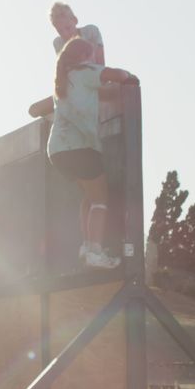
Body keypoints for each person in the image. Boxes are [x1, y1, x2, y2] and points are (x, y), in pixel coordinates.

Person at [47, 37, 136, 269]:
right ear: (86, 55)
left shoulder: (63, 79)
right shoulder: (85, 70)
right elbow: (119, 75)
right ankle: (95, 251)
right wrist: (128, 77)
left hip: (58, 150)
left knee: (88, 195)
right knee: (100, 199)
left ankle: (86, 246)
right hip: (80, 146)